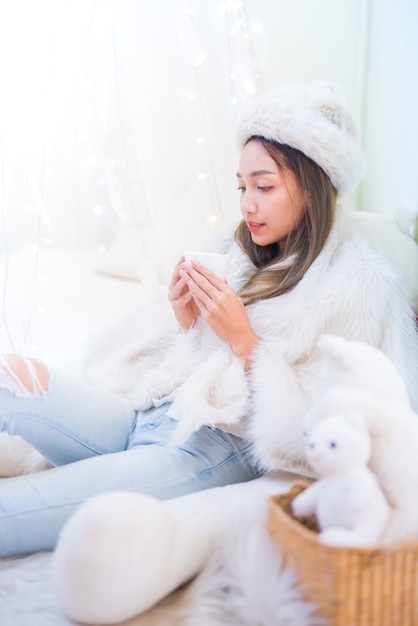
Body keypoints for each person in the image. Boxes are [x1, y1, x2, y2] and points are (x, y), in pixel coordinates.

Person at [0, 82, 417, 558]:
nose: (246, 204)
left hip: (205, 450)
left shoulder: (362, 286)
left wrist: (246, 344)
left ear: (314, 183)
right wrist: (186, 320)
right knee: (11, 379)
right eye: (242, 186)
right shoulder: (235, 247)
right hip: (147, 414)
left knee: (18, 507)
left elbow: (355, 429)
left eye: (264, 186)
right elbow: (184, 357)